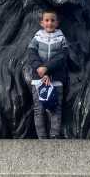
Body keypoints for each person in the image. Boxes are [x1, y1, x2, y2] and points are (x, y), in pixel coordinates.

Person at [27, 9, 68, 139]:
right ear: (41, 23)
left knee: (56, 110)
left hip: (56, 80)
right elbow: (31, 54)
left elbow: (62, 56)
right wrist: (39, 68)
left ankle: (54, 137)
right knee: (39, 110)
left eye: (52, 20)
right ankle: (42, 139)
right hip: (38, 80)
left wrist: (47, 68)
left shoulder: (61, 38)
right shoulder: (36, 38)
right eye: (47, 20)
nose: (49, 23)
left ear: (57, 23)